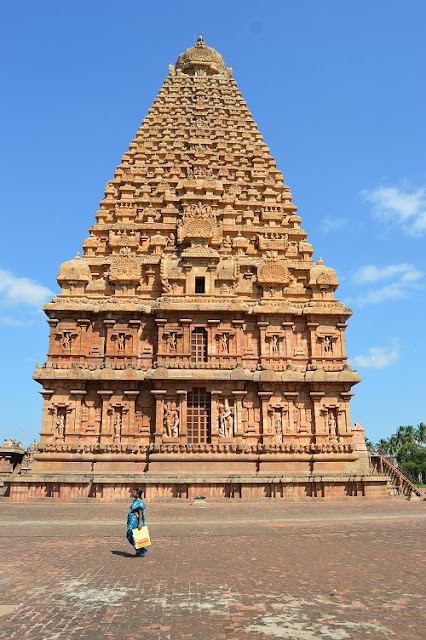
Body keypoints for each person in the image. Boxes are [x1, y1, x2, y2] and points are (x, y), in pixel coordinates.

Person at [126, 488, 148, 557]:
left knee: (135, 535)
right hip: (132, 521)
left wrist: (139, 523)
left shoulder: (140, 503)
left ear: (138, 494)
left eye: (134, 492)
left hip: (136, 521)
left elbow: (140, 513)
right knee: (130, 534)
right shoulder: (134, 501)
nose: (132, 493)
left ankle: (142, 550)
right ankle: (139, 549)